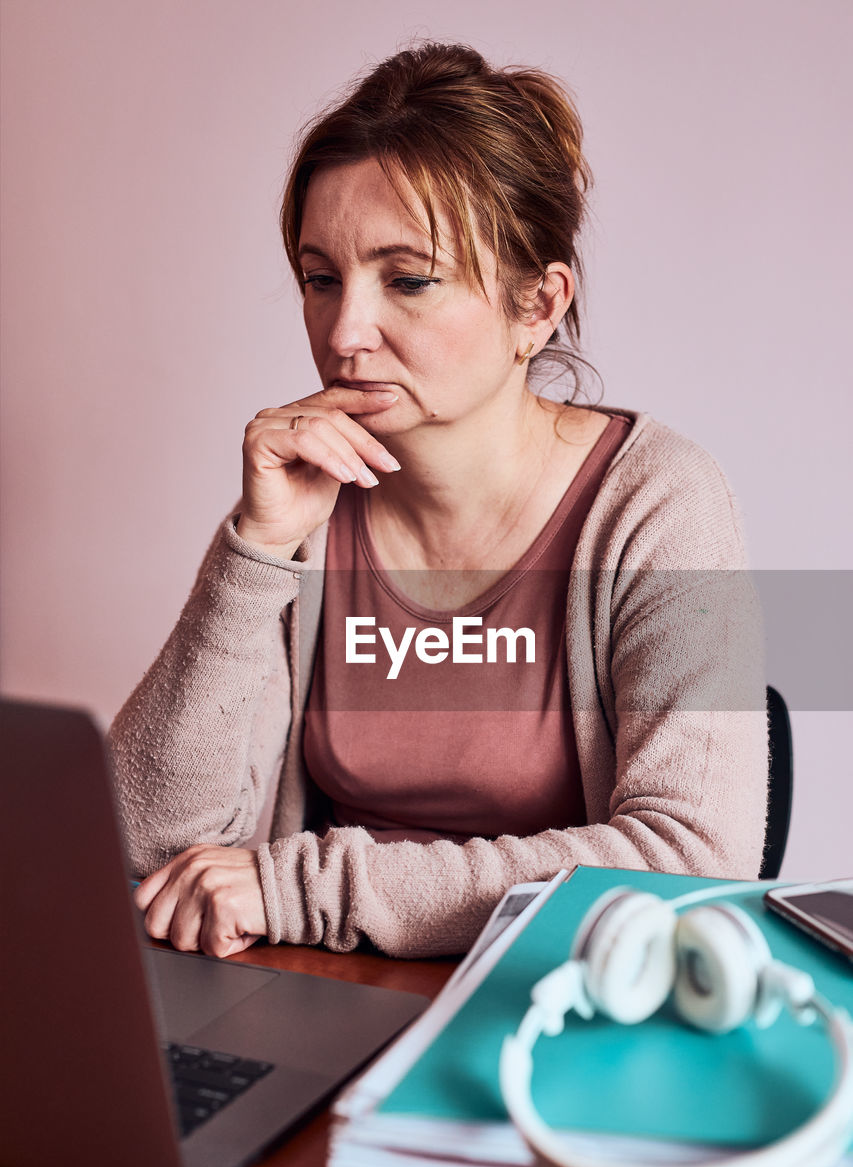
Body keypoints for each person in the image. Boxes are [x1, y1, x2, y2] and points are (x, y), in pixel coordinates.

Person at [109, 43, 767, 960]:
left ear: (535, 307)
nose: (343, 333)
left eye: (408, 280)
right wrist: (254, 551)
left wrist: (303, 888)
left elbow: (690, 863)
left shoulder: (660, 501)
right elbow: (145, 844)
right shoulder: (308, 498)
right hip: (315, 994)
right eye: (320, 277)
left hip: (548, 1007)